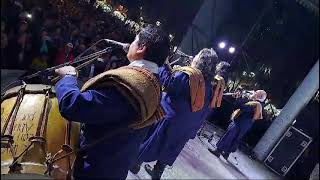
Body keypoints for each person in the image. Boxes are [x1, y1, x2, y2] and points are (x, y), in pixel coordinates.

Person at [54, 24, 170, 179]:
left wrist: (68, 77)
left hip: (94, 170)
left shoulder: (131, 88)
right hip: (116, 167)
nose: (130, 44)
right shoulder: (154, 85)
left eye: (134, 41)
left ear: (141, 48)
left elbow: (73, 106)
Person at [131, 48, 220, 179]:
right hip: (187, 125)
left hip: (170, 116)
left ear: (201, 60)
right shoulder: (208, 85)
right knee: (171, 148)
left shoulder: (188, 74)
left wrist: (165, 66)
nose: (194, 56)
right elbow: (205, 109)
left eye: (198, 55)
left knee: (152, 142)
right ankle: (157, 173)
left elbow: (168, 83)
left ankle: (135, 164)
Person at [208, 90, 267, 160]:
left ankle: (218, 151)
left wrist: (239, 98)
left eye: (256, 93)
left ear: (259, 96)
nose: (254, 93)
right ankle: (226, 153)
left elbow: (242, 108)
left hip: (240, 122)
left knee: (229, 136)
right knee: (235, 138)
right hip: (246, 125)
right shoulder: (259, 105)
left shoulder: (255, 104)